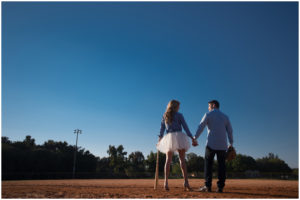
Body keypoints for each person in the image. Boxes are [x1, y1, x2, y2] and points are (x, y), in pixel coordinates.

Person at [192, 100, 233, 193]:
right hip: (223, 145)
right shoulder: (225, 117)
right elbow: (230, 131)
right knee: (222, 166)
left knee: (208, 165)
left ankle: (207, 186)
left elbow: (201, 126)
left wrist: (195, 138)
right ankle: (220, 187)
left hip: (211, 144)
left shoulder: (208, 114)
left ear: (213, 105)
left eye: (209, 106)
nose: (208, 108)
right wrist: (231, 143)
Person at [157, 100, 193, 191]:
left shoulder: (165, 115)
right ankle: (186, 182)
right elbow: (185, 127)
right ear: (175, 106)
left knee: (168, 160)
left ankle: (166, 182)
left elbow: (161, 129)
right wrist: (192, 137)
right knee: (182, 160)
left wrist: (160, 139)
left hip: (169, 137)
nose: (179, 108)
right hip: (179, 136)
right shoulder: (179, 115)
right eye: (178, 106)